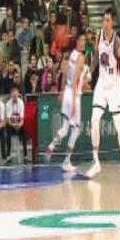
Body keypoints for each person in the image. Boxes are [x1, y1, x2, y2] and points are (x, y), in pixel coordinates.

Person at [86, 8, 120, 180]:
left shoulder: (116, 41)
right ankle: (96, 162)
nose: (105, 23)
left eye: (108, 20)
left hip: (114, 86)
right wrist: (89, 72)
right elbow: (95, 57)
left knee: (118, 125)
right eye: (104, 20)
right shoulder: (99, 35)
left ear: (113, 22)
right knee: (94, 120)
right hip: (101, 84)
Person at [45, 33, 90, 172]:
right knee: (75, 130)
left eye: (85, 40)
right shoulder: (80, 57)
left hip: (67, 93)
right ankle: (66, 161)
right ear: (77, 42)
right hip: (74, 96)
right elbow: (75, 78)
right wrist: (74, 101)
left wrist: (62, 92)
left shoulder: (71, 55)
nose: (84, 42)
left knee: (65, 129)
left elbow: (64, 75)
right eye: (82, 40)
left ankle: (51, 147)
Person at [5, 85, 27, 164]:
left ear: (18, 94)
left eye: (16, 95)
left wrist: (19, 125)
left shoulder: (21, 102)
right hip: (11, 125)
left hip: (19, 125)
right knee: (8, 132)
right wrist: (13, 125)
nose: (14, 96)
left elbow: (22, 119)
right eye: (13, 95)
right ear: (11, 95)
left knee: (24, 131)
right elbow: (8, 120)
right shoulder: (8, 103)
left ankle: (25, 156)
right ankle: (8, 156)